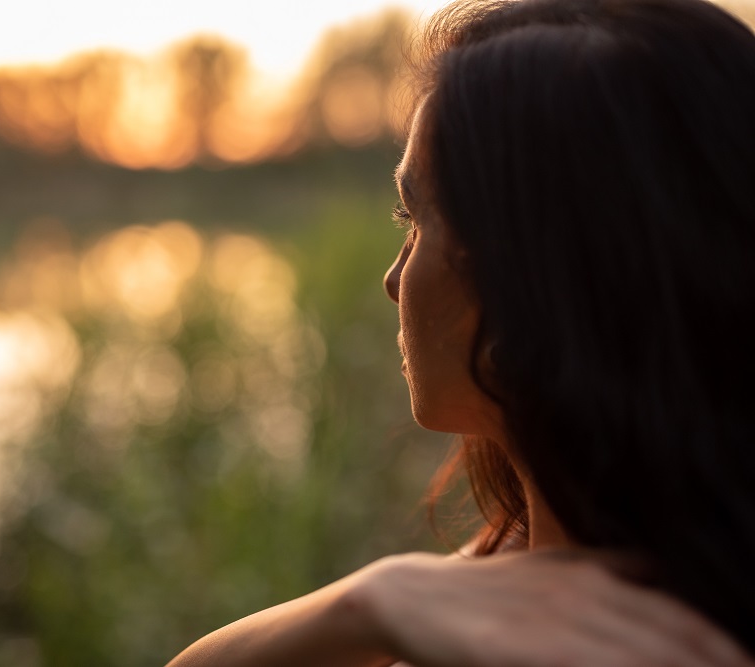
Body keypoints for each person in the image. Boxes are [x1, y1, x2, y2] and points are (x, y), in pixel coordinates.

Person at [166, 0, 755, 664]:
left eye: (417, 220)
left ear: (527, 281)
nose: (393, 278)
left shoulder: (600, 635)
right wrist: (372, 603)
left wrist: (376, 603)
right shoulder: (532, 559)